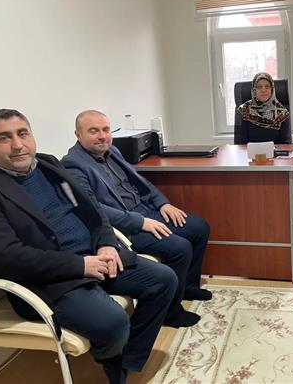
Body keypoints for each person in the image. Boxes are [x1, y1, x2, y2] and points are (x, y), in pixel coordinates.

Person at [0, 109, 178, 384]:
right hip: (49, 281)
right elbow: (7, 257)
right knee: (113, 322)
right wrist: (81, 265)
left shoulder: (49, 165)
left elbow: (91, 208)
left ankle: (128, 358)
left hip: (96, 257)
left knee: (164, 280)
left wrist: (106, 243)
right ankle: (114, 363)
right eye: (4, 138)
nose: (17, 145)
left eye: (23, 133)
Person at [61, 110, 212, 323]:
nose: (102, 136)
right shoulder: (72, 165)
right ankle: (170, 312)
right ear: (78, 135)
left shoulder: (112, 150)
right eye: (93, 131)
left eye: (105, 129)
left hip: (145, 209)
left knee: (199, 228)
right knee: (180, 248)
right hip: (124, 226)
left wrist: (162, 203)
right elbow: (94, 209)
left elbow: (138, 182)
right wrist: (141, 222)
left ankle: (187, 287)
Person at [234, 72, 291, 145]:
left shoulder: (282, 113)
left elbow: (285, 144)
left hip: (275, 152)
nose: (263, 90)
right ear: (254, 90)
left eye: (267, 86)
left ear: (272, 90)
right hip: (249, 152)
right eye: (259, 87)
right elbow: (240, 144)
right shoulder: (243, 111)